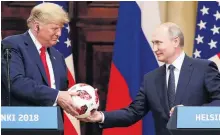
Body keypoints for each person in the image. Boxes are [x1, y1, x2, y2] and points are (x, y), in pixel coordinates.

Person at [78, 22, 220, 135]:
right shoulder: (151, 79)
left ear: (175, 41)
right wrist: (100, 116)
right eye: (153, 43)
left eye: (158, 43)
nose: (154, 48)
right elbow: (133, 113)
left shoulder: (204, 68)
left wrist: (189, 114)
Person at [1, 2, 78, 116]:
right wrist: (56, 96)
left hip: (53, 127)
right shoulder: (13, 45)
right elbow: (16, 82)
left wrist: (81, 96)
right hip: (23, 124)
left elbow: (62, 92)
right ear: (37, 26)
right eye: (54, 28)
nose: (59, 34)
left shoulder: (58, 56)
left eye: (61, 29)